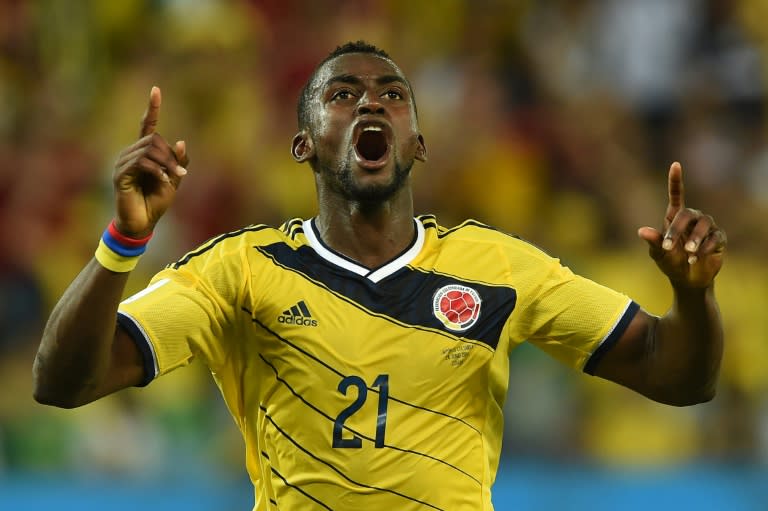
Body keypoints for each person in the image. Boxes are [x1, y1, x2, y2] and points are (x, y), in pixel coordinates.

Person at [33, 41, 726, 510]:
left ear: (417, 143)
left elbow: (680, 376)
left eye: (392, 95)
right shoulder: (238, 272)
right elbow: (64, 382)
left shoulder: (503, 268)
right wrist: (124, 240)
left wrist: (694, 297)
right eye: (342, 94)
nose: (370, 104)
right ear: (303, 144)